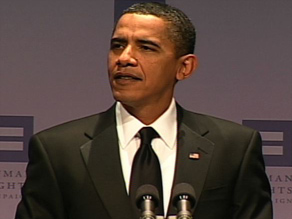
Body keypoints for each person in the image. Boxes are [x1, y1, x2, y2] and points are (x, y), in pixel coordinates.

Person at [15, 2, 272, 219]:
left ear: (184, 67)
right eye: (117, 45)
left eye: (146, 47)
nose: (124, 58)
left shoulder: (234, 147)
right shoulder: (57, 150)